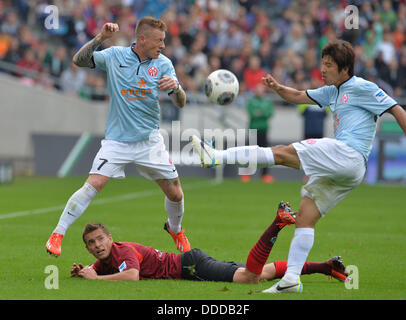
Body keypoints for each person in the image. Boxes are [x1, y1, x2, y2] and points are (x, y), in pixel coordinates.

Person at [191, 40, 406, 293]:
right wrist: (276, 87)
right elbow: (297, 96)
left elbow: (396, 109)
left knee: (281, 153)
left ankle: (215, 156)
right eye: (322, 64)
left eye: (329, 65)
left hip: (348, 154)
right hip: (349, 170)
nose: (323, 70)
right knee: (305, 215)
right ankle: (291, 280)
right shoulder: (331, 90)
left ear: (346, 69)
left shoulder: (362, 87)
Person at [46, 17, 190, 257]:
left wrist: (176, 88)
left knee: (175, 193)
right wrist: (100, 38)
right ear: (142, 39)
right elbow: (78, 60)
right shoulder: (114, 56)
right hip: (117, 141)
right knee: (94, 184)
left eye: (164, 41)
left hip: (149, 141)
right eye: (159, 41)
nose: (163, 46)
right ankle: (58, 233)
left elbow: (181, 102)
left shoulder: (164, 64)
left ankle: (175, 229)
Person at [71, 203, 348, 283]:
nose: (97, 246)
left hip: (190, 267)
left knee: (248, 278)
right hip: (189, 261)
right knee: (264, 273)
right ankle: (326, 267)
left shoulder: (122, 251)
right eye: (91, 243)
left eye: (100, 239)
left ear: (110, 237)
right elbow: (104, 267)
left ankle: (277, 222)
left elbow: (131, 276)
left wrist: (95, 280)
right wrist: (85, 270)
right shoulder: (105, 259)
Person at [242, 83, 275, 183]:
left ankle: (264, 175)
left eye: (261, 89)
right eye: (258, 89)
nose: (259, 91)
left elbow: (269, 113)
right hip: (253, 130)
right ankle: (246, 174)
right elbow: (252, 113)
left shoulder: (267, 101)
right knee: (249, 153)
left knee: (265, 154)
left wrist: (260, 112)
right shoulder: (251, 101)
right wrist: (262, 112)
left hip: (263, 130)